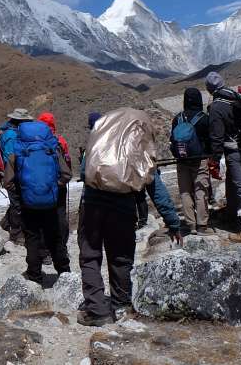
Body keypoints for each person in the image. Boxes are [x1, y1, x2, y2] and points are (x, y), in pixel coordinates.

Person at [78, 114, 182, 327]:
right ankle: (121, 305)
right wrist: (173, 222)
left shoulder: (99, 142)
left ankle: (97, 311)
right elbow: (156, 188)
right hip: (122, 208)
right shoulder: (138, 150)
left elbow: (83, 172)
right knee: (121, 257)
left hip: (92, 205)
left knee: (90, 256)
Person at [5, 118, 71, 284]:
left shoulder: (17, 152)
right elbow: (66, 175)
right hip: (51, 203)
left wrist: (22, 192)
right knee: (55, 238)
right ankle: (65, 274)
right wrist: (54, 187)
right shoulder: (51, 149)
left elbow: (8, 182)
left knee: (32, 238)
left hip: (28, 204)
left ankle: (34, 276)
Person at [205, 72, 241, 243]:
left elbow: (216, 137)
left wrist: (214, 159)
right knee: (232, 180)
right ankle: (230, 213)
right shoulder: (234, 95)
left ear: (208, 89)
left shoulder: (216, 107)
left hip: (234, 148)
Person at [169, 88, 213, 233]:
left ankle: (191, 225)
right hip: (199, 160)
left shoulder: (177, 118)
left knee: (185, 192)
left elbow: (172, 141)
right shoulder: (204, 118)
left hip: (182, 160)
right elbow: (210, 140)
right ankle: (202, 225)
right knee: (200, 191)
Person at [37, 112, 73, 250]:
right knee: (60, 214)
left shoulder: (37, 140)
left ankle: (45, 249)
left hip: (43, 184)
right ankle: (61, 246)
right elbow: (67, 161)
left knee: (44, 216)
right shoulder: (60, 140)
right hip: (60, 183)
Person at [0, 109, 34, 244]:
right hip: (12, 175)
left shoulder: (13, 133)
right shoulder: (11, 135)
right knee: (17, 204)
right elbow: (10, 158)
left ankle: (3, 226)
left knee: (17, 203)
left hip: (14, 173)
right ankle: (16, 235)